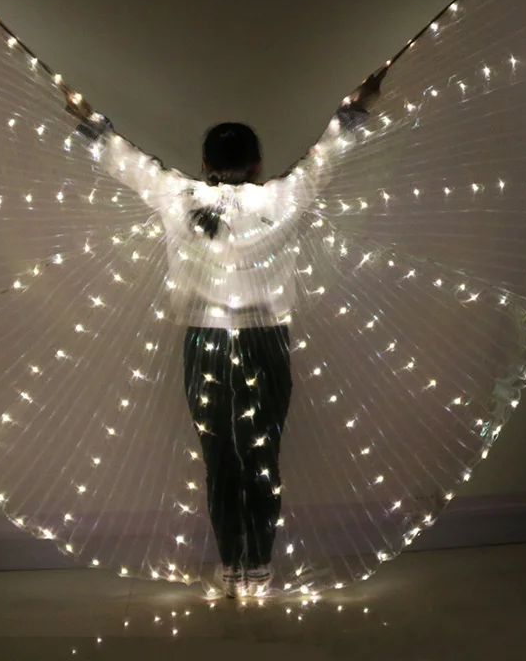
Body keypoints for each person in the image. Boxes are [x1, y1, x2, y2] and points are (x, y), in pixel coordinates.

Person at [62, 71, 384, 597]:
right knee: (262, 453)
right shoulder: (283, 197)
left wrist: (86, 118)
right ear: (256, 164)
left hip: (204, 343)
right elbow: (328, 153)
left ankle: (234, 565)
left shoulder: (177, 196)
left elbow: (125, 161)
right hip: (265, 342)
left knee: (218, 457)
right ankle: (258, 566)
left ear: (205, 163)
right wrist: (360, 104)